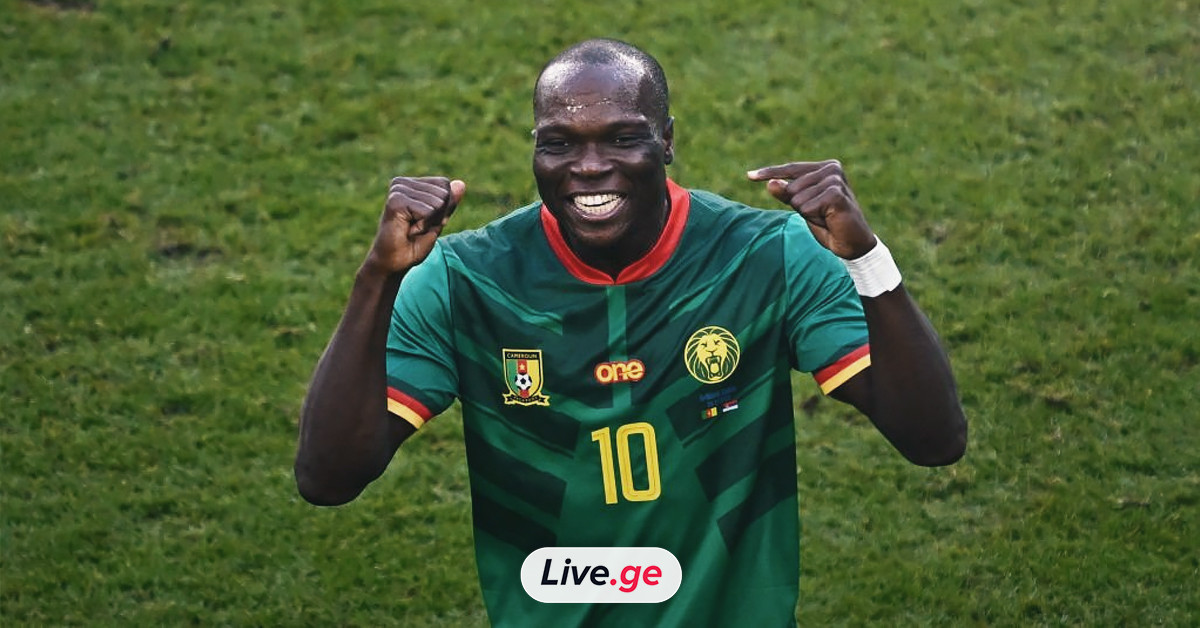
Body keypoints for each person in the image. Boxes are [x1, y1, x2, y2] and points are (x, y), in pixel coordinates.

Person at [295, 38, 966, 626]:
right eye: (558, 142)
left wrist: (865, 260)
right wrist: (377, 278)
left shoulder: (767, 257)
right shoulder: (465, 280)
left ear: (667, 140)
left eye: (622, 137)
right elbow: (328, 478)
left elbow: (934, 439)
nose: (589, 166)